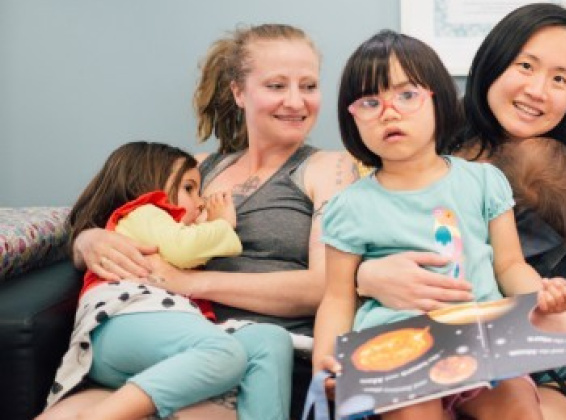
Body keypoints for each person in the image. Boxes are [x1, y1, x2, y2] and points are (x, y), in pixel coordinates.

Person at [43, 24, 357, 419]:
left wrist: (190, 281)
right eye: (277, 86)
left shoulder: (329, 169)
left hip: (260, 362)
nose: (296, 102)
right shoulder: (197, 168)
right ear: (238, 92)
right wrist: (88, 241)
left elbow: (325, 286)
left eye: (309, 86)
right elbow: (118, 213)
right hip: (163, 346)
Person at [355, 4, 566, 420]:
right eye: (525, 66)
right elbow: (353, 245)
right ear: (493, 62)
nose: (537, 90)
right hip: (428, 341)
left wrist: (547, 306)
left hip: (541, 358)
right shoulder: (419, 149)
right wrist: (368, 275)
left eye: (560, 79)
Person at [312, 29, 566, 420]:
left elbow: (509, 266)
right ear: (352, 118)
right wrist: (325, 362)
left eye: (407, 95)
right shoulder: (348, 206)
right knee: (412, 408)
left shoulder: (483, 182)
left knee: (519, 404)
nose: (389, 111)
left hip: (483, 342)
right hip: (399, 349)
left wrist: (542, 293)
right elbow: (336, 297)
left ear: (440, 101)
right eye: (370, 101)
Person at [43, 141, 292, 420]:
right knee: (223, 352)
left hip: (160, 339)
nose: (199, 202)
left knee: (271, 339)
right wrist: (222, 224)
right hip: (123, 322)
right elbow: (183, 249)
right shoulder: (144, 212)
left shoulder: (162, 225)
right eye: (189, 189)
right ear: (148, 185)